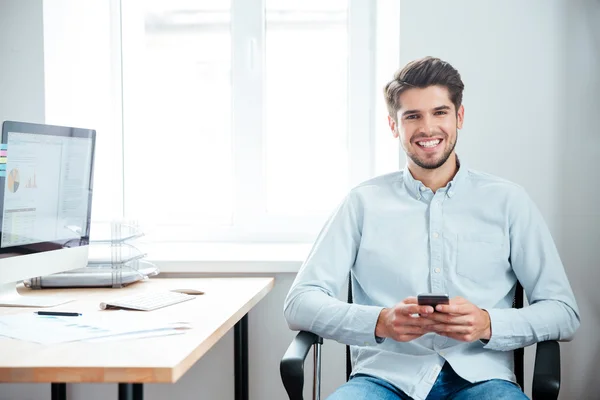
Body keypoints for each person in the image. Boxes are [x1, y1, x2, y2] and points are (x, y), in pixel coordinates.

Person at [283, 56, 580, 400]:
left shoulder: (508, 201)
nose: (427, 128)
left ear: (460, 117)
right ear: (394, 126)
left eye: (439, 112)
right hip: (382, 379)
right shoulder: (362, 203)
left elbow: (564, 313)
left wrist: (488, 324)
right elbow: (300, 303)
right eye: (412, 116)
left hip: (484, 381)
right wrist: (380, 321)